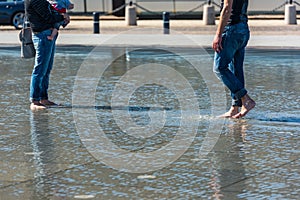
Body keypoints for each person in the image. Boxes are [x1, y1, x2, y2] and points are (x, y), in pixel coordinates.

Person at [212, 0, 256, 118]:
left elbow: (227, 8)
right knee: (236, 69)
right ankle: (235, 107)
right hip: (243, 29)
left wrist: (218, 34)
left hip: (232, 29)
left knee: (219, 68)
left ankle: (246, 99)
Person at [25, 0, 70, 110]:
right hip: (42, 36)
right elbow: (48, 17)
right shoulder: (35, 1)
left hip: (47, 35)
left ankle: (43, 98)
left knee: (46, 69)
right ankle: (35, 101)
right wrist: (62, 17)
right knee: (40, 69)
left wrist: (61, 18)